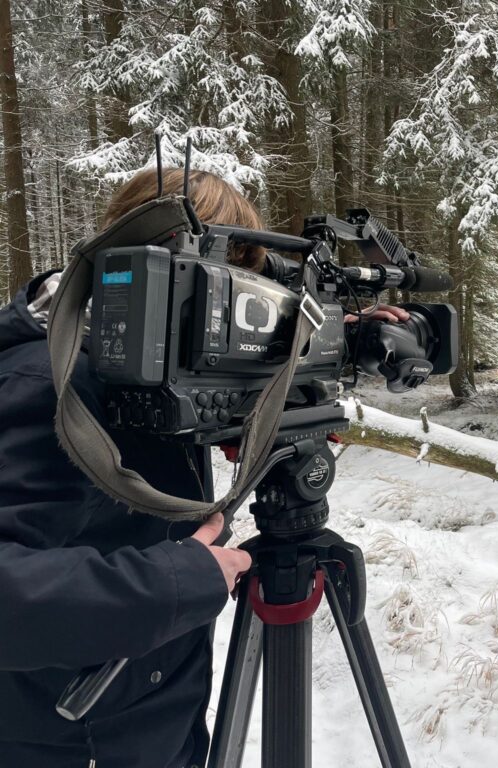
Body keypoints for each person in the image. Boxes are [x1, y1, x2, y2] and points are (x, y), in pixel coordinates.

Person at [0, 168, 407, 767]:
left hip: (151, 717)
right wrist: (175, 584)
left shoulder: (153, 354)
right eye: (232, 280)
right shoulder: (49, 383)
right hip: (73, 738)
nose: (236, 303)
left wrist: (325, 339)